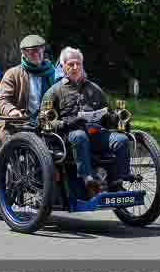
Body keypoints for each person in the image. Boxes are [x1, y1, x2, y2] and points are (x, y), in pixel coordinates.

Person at [41, 46, 132, 198]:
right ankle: (88, 181)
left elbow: (107, 116)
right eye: (71, 64)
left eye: (78, 64)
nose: (75, 67)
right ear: (63, 66)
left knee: (121, 139)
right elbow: (44, 122)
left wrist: (116, 118)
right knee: (79, 136)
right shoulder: (54, 91)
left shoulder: (94, 89)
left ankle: (117, 181)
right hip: (68, 137)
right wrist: (68, 123)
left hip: (96, 133)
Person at [0, 35, 58, 133]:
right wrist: (12, 110)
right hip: (20, 123)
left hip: (47, 121)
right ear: (23, 53)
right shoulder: (12, 74)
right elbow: (2, 100)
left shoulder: (53, 72)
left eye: (39, 49)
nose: (37, 53)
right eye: (32, 51)